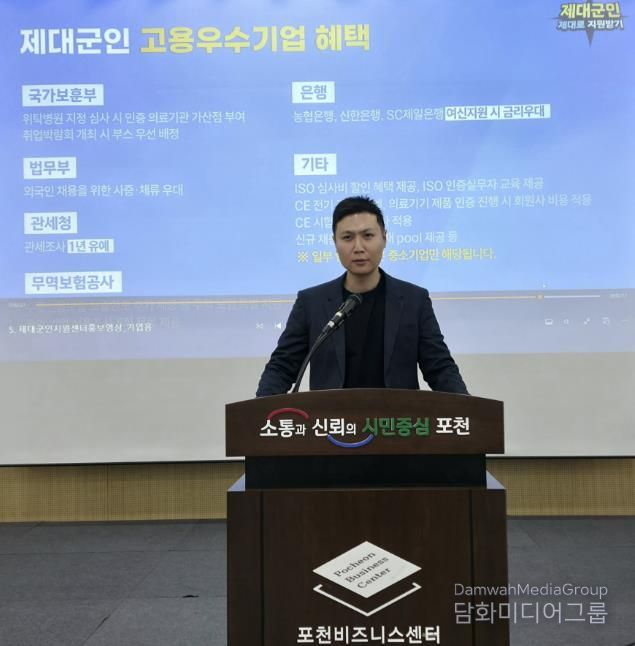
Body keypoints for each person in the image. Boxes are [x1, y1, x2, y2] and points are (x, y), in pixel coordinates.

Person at [256, 196, 468, 396]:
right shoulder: (311, 302)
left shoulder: (414, 300)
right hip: (332, 419)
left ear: (384, 238)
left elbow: (440, 368)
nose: (358, 248)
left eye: (368, 236)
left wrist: (470, 411)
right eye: (347, 238)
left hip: (396, 419)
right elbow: (282, 367)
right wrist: (258, 412)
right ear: (335, 242)